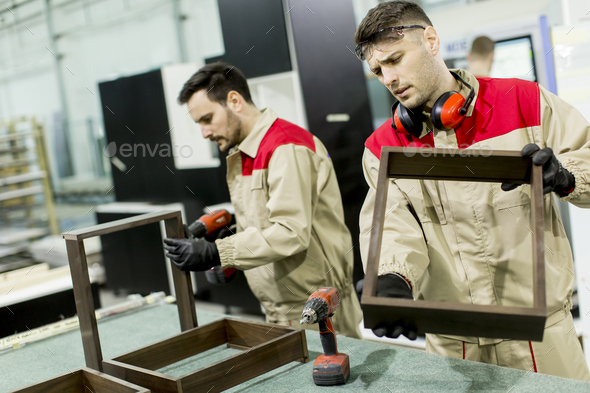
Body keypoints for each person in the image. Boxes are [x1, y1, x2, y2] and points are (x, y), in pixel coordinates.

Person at [354, 0, 590, 381]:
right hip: (454, 347)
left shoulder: (524, 100)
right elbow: (393, 224)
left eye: (395, 59)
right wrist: (391, 279)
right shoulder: (383, 147)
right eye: (378, 70)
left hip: (543, 338)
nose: (389, 79)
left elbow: (587, 154)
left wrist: (567, 175)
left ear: (431, 40)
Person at [163, 62, 362, 338]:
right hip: (282, 306)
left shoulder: (284, 147)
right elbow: (267, 222)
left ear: (234, 101)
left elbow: (291, 233)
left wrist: (219, 252)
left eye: (207, 119)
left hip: (317, 306)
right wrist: (232, 248)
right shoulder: (246, 152)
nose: (204, 133)